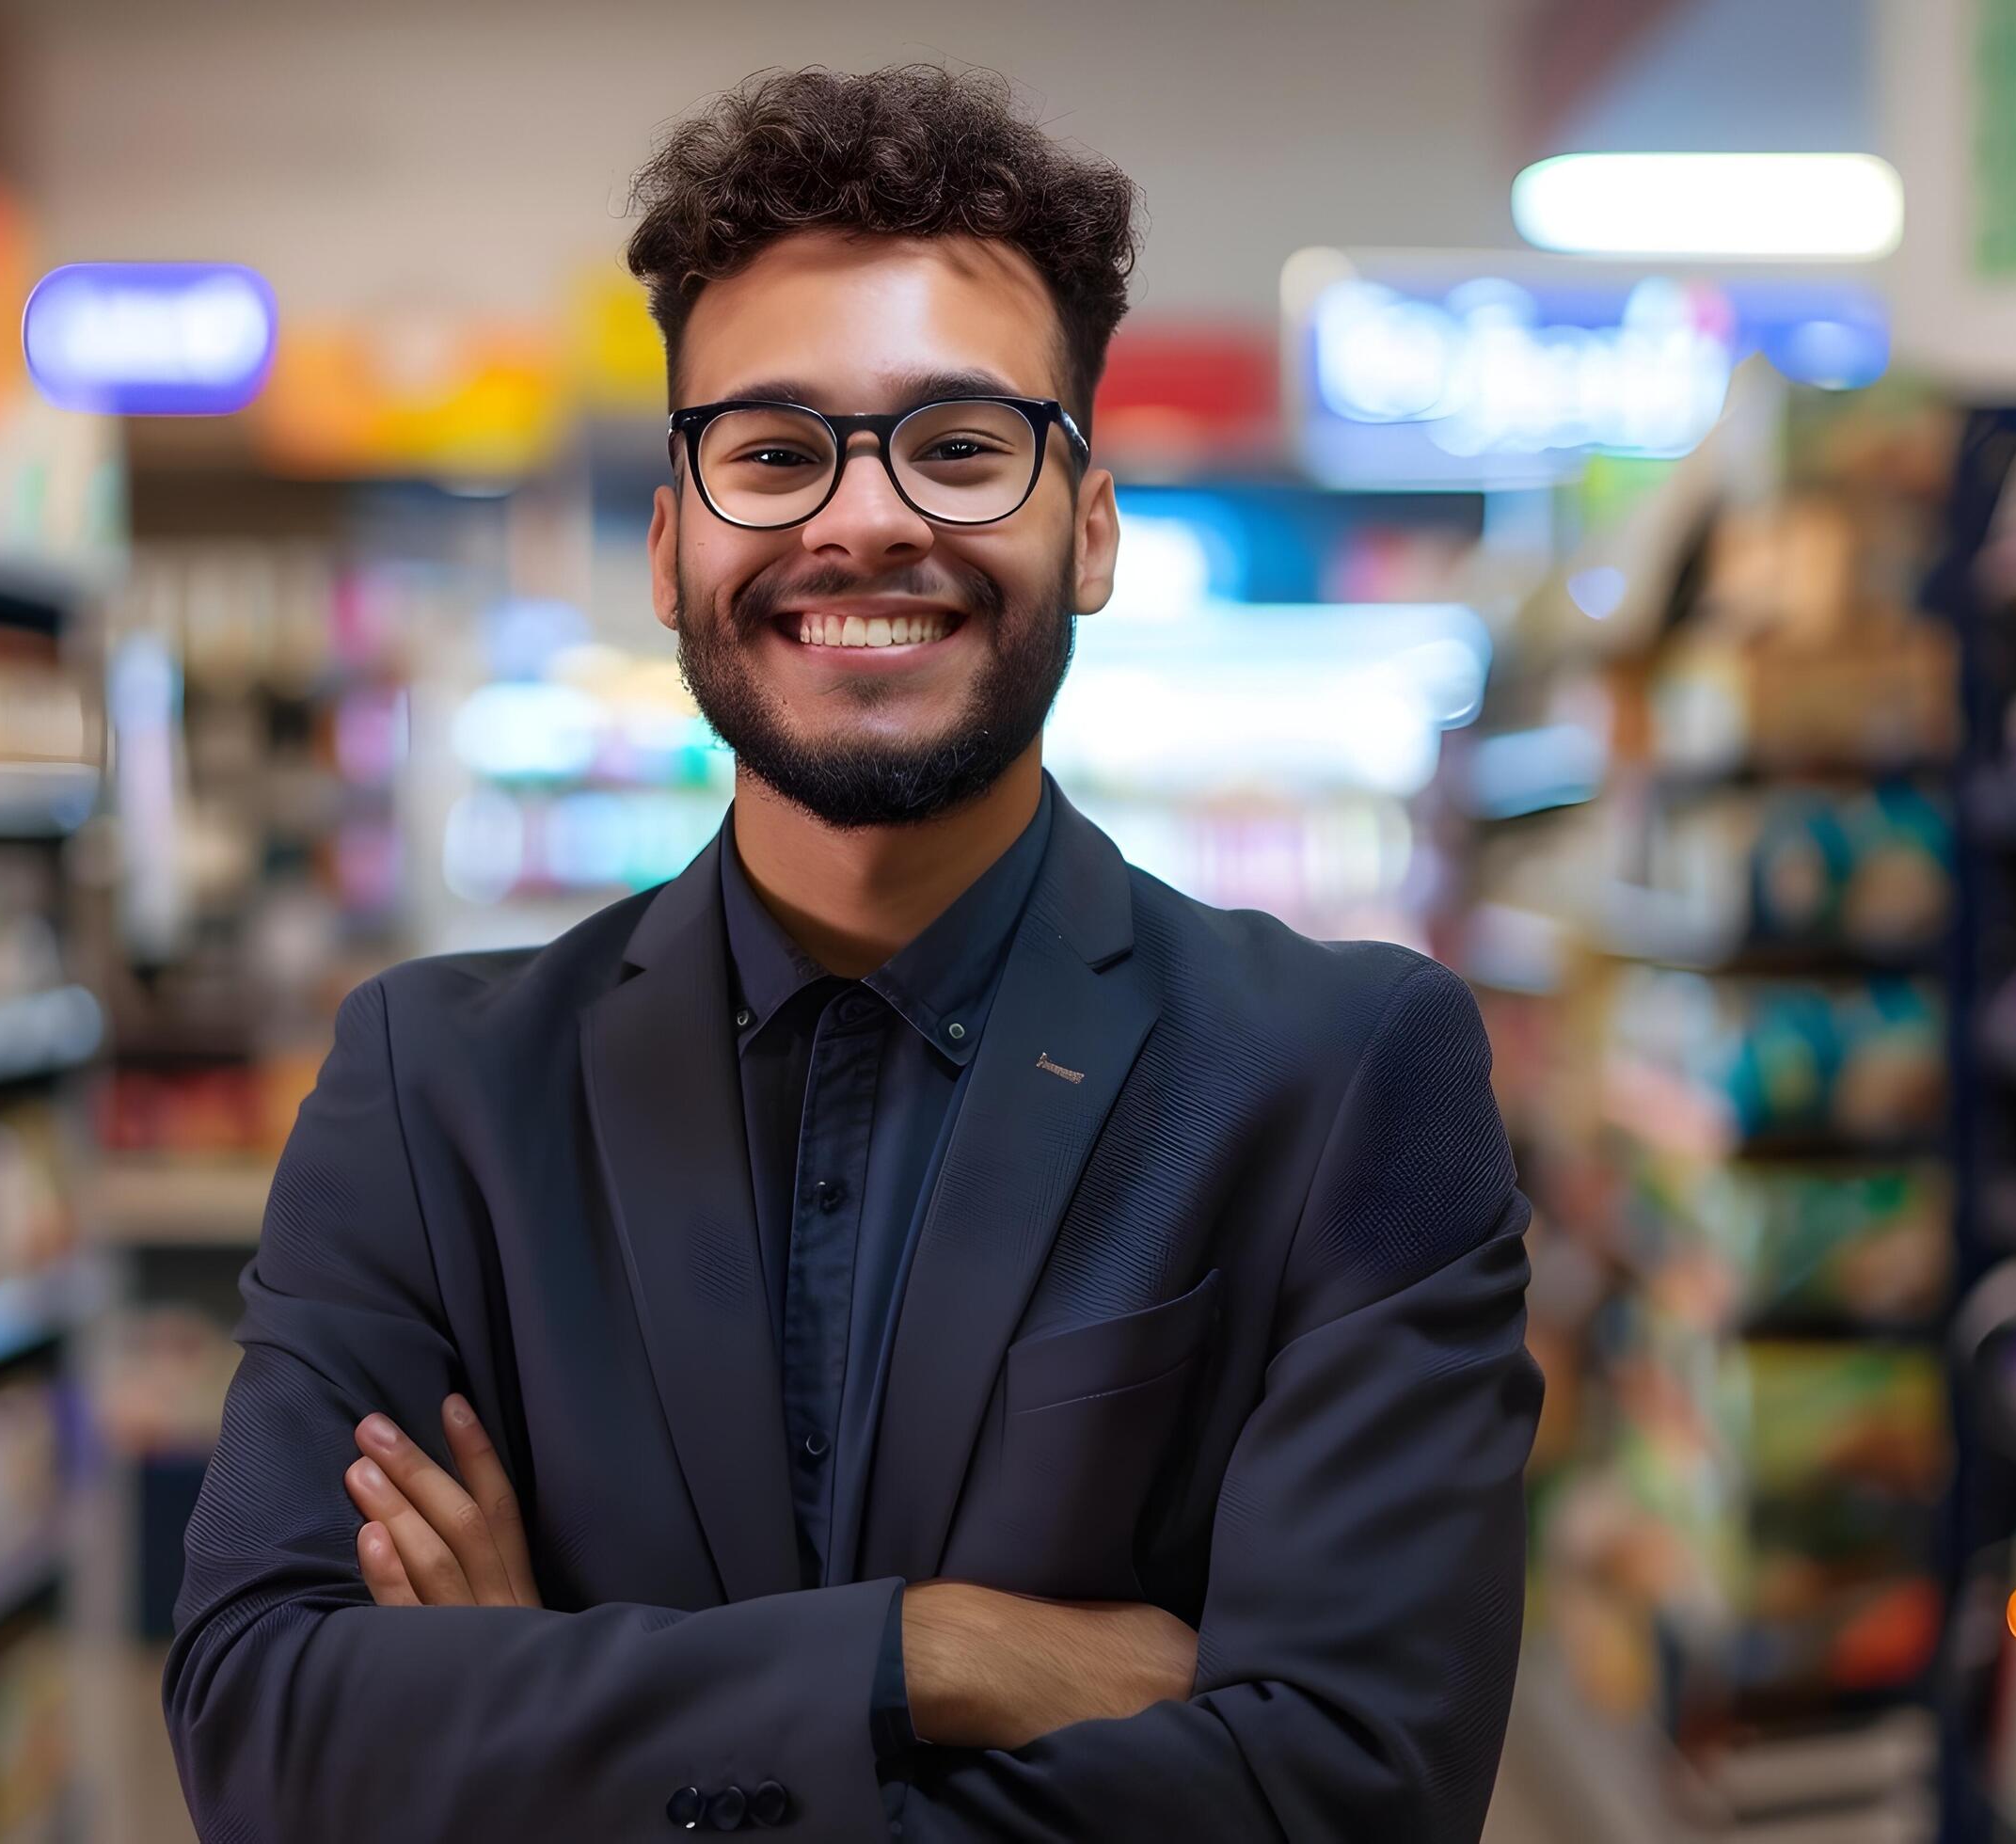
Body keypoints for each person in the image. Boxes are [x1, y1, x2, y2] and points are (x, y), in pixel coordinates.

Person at [167, 63, 1538, 1843]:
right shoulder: (436, 1089)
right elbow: (269, 1735)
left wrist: (546, 1727)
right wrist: (930, 1654)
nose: (863, 518)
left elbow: (1342, 1793)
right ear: (670, 543)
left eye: (960, 446)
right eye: (771, 451)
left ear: (1091, 525)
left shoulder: (1338, 1076)